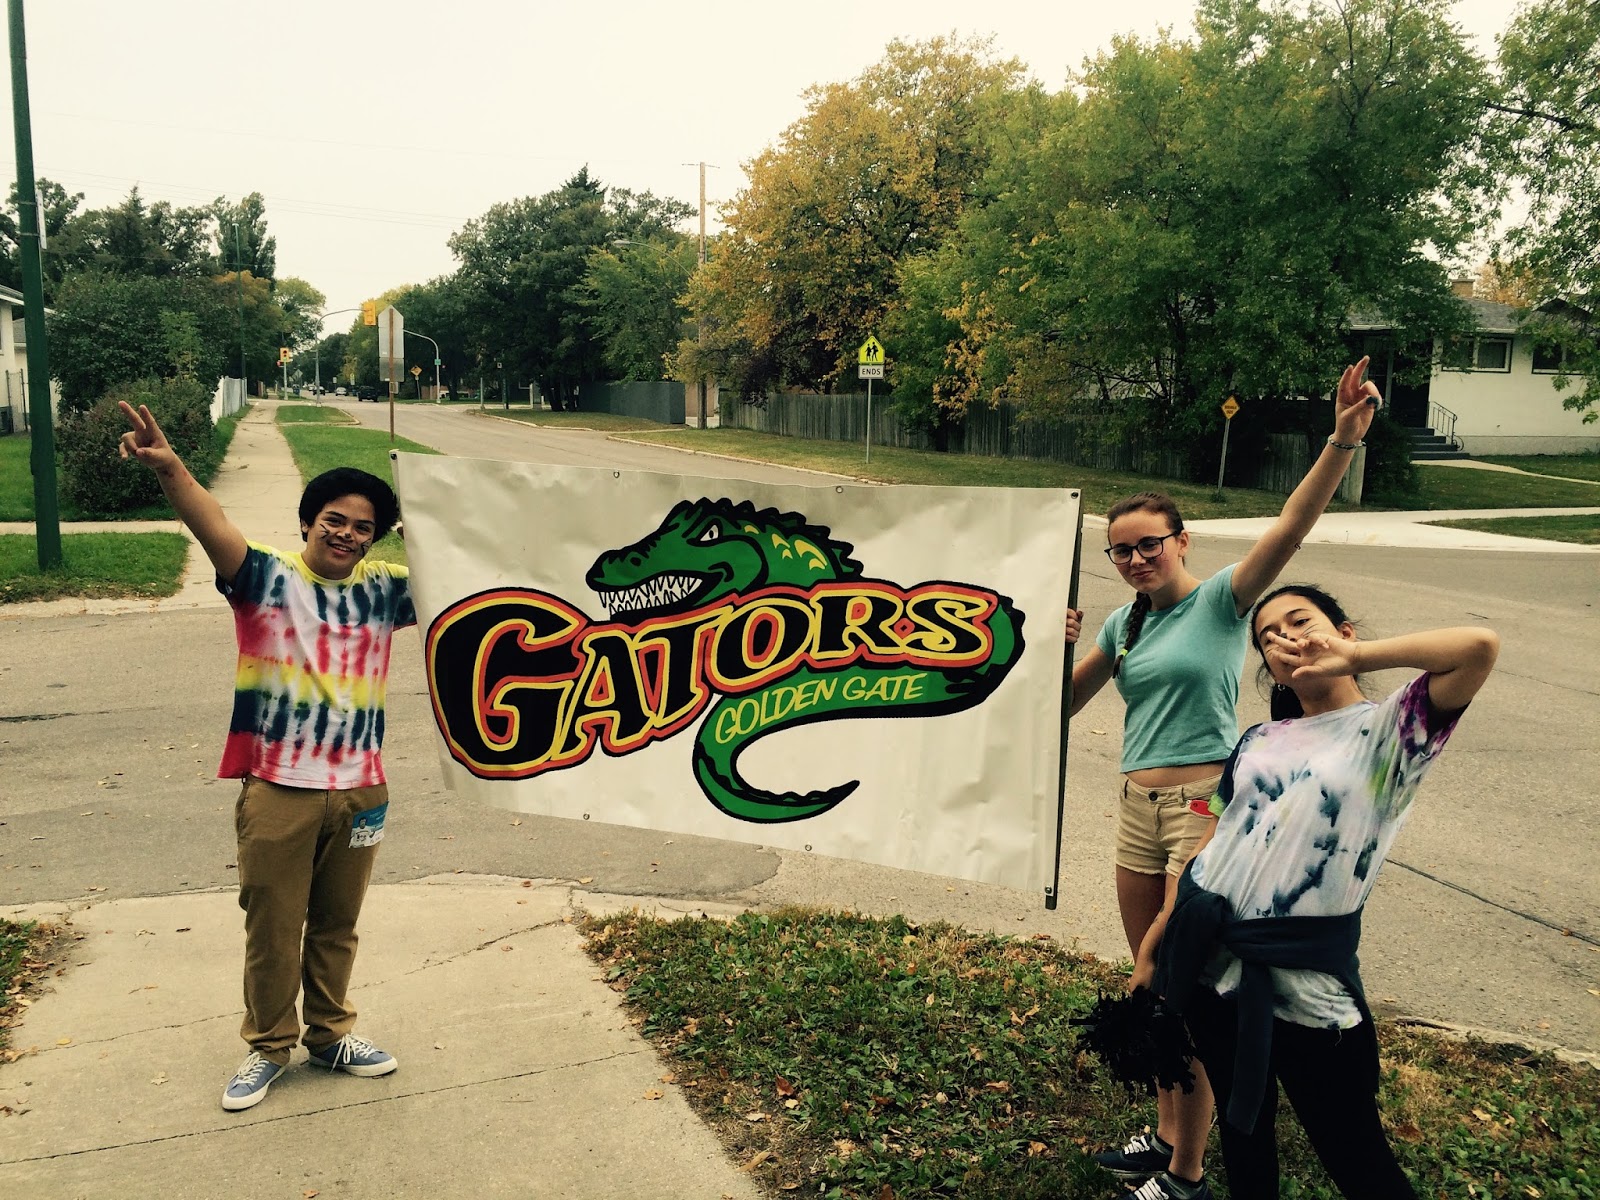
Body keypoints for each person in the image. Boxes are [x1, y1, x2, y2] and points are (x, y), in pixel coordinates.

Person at [1063, 360, 1381, 1199]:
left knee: (1185, 983)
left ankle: (1189, 1172)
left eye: (1148, 544)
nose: (1134, 558)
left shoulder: (1220, 601)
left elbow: (1290, 528)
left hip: (1202, 806)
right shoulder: (1123, 621)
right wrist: (1045, 640)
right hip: (1136, 805)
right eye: (1121, 549)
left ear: (1181, 541)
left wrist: (1341, 441)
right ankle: (1169, 1133)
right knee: (1152, 978)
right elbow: (1059, 704)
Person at [1135, 586, 1498, 1198]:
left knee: (1354, 1152)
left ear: (1343, 631)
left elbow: (1477, 648)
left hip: (1309, 986)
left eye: (1298, 622)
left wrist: (1354, 661)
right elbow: (1214, 836)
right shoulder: (1259, 740)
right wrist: (1157, 940)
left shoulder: (1393, 732)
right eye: (1267, 637)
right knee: (1243, 1132)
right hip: (1213, 969)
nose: (1282, 639)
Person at [119, 401, 415, 1112]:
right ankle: (269, 1046)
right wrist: (173, 472)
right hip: (280, 788)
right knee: (275, 926)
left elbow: (475, 580)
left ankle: (331, 1034)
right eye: (334, 519)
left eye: (363, 526)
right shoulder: (264, 579)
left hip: (362, 791)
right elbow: (212, 525)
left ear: (376, 539)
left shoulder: (385, 591)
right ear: (309, 520)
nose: (345, 533)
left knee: (338, 924)